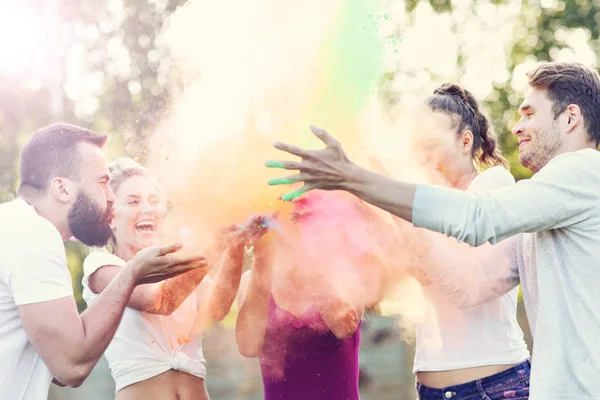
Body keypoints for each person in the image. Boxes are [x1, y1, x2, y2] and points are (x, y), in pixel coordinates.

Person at [267, 61, 600, 399]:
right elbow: (466, 288)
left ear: (570, 117)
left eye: (529, 113)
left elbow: (476, 219)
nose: (517, 127)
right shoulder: (543, 209)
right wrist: (367, 207)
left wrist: (358, 179)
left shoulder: (584, 170)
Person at [0, 123, 204, 400]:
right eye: (102, 182)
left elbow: (57, 369)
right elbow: (71, 367)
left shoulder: (16, 227)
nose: (110, 198)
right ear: (61, 188)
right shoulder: (34, 234)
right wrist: (131, 273)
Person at [81, 157, 268, 400]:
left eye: (154, 200)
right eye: (133, 201)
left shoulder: (182, 264)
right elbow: (159, 301)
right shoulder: (102, 266)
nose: (147, 208)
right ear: (111, 217)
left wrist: (235, 244)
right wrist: (215, 247)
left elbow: (218, 307)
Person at [403, 84, 530, 400]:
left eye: (431, 145)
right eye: (417, 147)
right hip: (429, 388)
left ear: (465, 141)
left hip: (495, 385)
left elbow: (457, 270)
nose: (423, 157)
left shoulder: (494, 184)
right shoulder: (428, 203)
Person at [235, 190, 395, 400]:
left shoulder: (344, 274)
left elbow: (343, 327)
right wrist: (261, 259)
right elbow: (248, 346)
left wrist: (311, 262)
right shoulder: (252, 279)